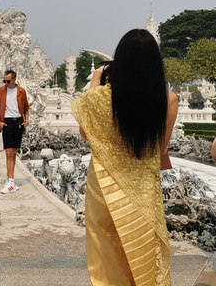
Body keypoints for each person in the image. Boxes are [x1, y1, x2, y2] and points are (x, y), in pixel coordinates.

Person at [71, 29, 178, 286]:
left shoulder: (101, 99)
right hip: (142, 191)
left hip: (104, 188)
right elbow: (161, 149)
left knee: (106, 255)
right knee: (143, 256)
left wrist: (97, 78)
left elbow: (86, 134)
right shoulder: (168, 100)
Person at [0, 70, 29, 194]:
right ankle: (11, 182)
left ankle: (10, 179)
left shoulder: (21, 91)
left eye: (8, 81)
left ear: (14, 79)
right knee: (8, 152)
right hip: (6, 122)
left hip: (18, 122)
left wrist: (26, 121)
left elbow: (26, 109)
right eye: (4, 81)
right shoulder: (0, 91)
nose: (6, 83)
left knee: (14, 152)